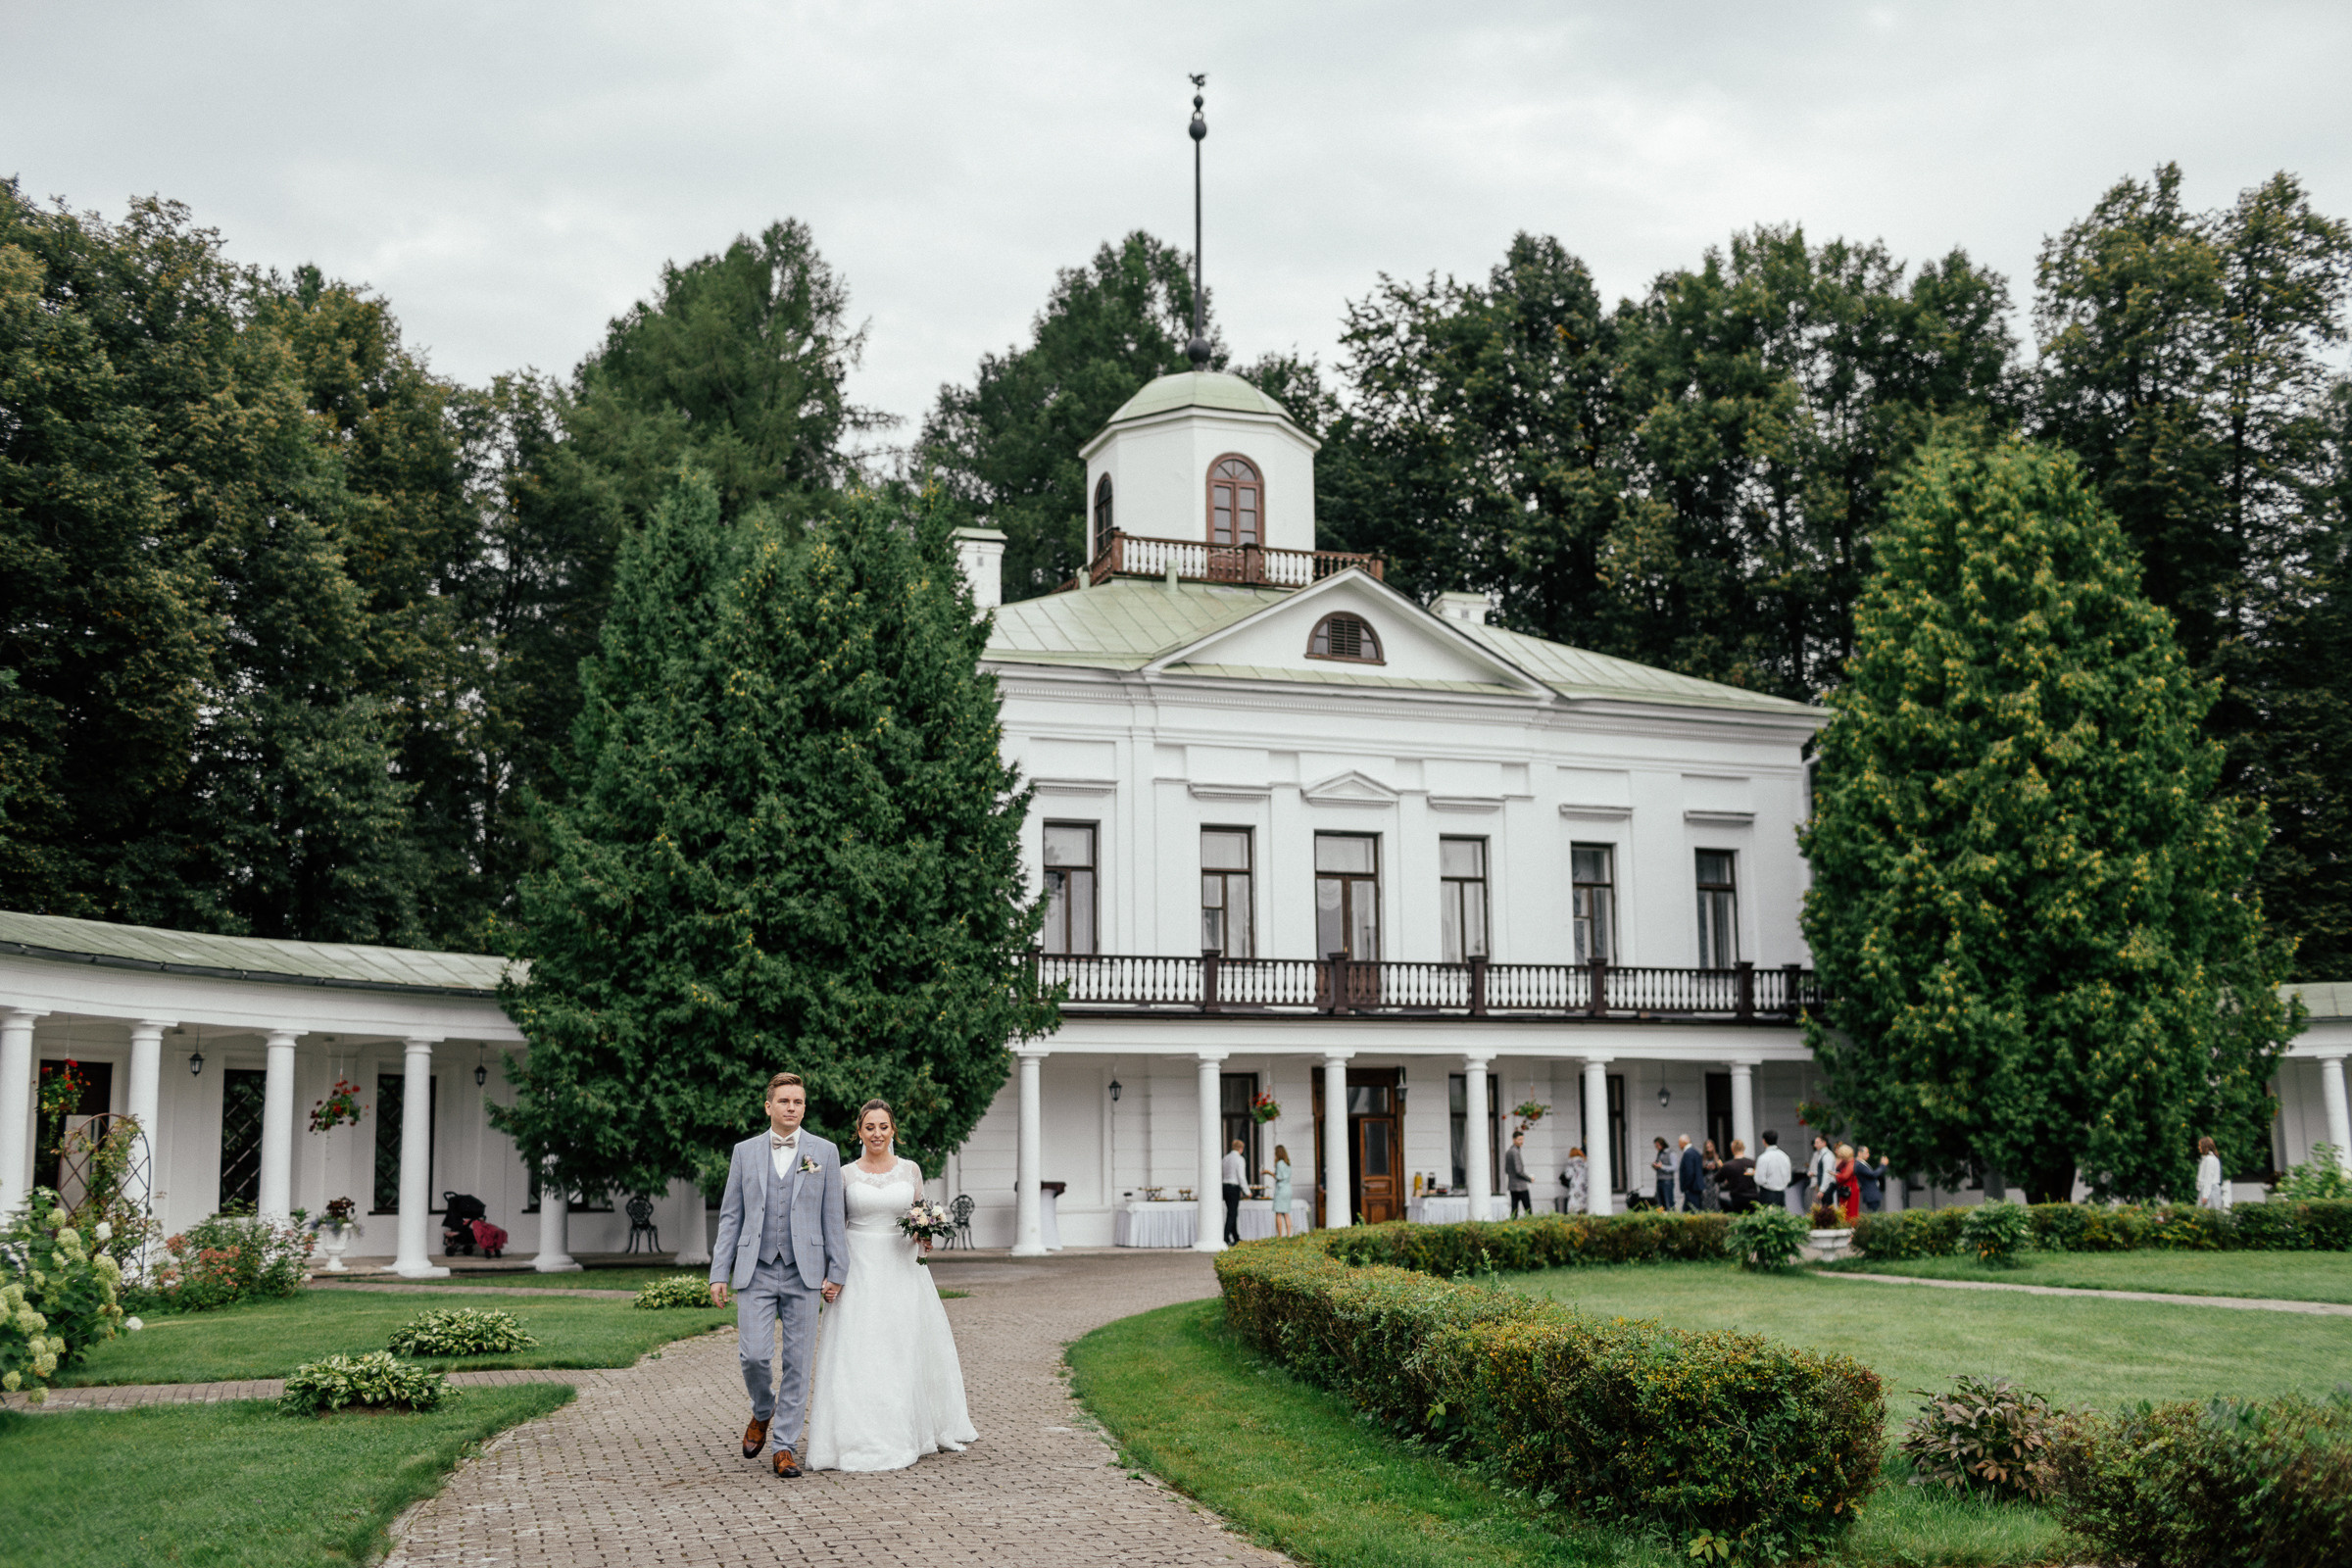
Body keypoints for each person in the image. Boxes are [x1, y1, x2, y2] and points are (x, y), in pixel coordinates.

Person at [803, 1099, 977, 1472]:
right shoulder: (845, 1174)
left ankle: (909, 1428)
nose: (877, 1134)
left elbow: (919, 1216)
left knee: (903, 1345)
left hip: (902, 1269)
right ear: (859, 1132)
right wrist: (832, 1273)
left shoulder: (910, 1170)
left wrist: (925, 1236)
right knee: (860, 1347)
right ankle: (856, 1434)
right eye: (870, 1127)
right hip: (859, 1267)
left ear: (893, 1130)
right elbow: (833, 1226)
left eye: (883, 1127)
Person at [709, 1071, 849, 1479]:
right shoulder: (744, 1152)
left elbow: (833, 1218)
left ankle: (784, 1446)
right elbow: (731, 1216)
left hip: (805, 1270)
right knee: (754, 1356)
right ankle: (762, 1409)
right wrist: (720, 1270)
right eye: (785, 1101)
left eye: (799, 1102)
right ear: (768, 1105)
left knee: (798, 1363)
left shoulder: (824, 1151)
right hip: (756, 1269)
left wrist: (837, 1271)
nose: (792, 1107)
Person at [1754, 1129, 1791, 1212]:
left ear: (1764, 1141)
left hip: (1767, 1194)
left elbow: (1759, 1179)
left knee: (1767, 1221)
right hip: (1781, 1193)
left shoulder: (1763, 1158)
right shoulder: (1784, 1156)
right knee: (1781, 1219)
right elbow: (1788, 1178)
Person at [1720, 1139, 1758, 1212]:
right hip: (1753, 1196)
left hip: (1737, 1196)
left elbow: (1718, 1178)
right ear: (1743, 1148)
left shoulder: (1728, 1165)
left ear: (1732, 1149)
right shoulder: (1752, 1163)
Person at [1222, 1138, 1248, 1246]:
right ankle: (1225, 1237)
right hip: (1233, 1187)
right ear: (1241, 1148)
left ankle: (1236, 1237)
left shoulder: (1225, 1158)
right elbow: (1241, 1176)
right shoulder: (1239, 1159)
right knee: (1232, 1213)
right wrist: (1247, 1191)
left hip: (1225, 1187)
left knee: (1232, 1212)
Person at [2195, 1136, 2231, 1210]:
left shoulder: (2209, 1160)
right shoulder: (2208, 1159)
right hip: (2208, 1190)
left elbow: (2208, 1178)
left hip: (2210, 1192)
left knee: (2207, 1215)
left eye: (2200, 1145)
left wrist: (2205, 1195)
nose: (2199, 1147)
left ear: (2205, 1146)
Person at [1267, 1145, 1295, 1236]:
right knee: (1286, 1213)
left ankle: (1279, 1236)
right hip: (1288, 1189)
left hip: (1281, 1190)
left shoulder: (1279, 1163)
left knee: (1278, 1213)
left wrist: (1268, 1173)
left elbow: (1279, 1177)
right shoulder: (1288, 1164)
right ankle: (1289, 1235)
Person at [1504, 1131, 1533, 1216]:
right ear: (1514, 1140)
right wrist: (1529, 1179)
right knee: (1528, 1209)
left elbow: (1506, 1170)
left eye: (1522, 1139)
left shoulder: (1508, 1152)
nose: (1522, 1142)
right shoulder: (1515, 1152)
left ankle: (1513, 1226)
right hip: (1521, 1186)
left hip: (1512, 1186)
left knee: (1514, 1210)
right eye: (1519, 1139)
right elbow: (1519, 1171)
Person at [1806, 1134, 1837, 1214]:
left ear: (1824, 1143)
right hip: (1825, 1186)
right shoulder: (1821, 1154)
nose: (1815, 1145)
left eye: (1817, 1142)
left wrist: (1822, 1189)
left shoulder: (1827, 1155)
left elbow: (1827, 1173)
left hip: (1828, 1186)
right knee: (1824, 1208)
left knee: (1827, 1208)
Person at [1853, 1147, 1886, 1214]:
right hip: (1870, 1193)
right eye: (1866, 1153)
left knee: (1875, 1212)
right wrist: (1882, 1166)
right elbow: (1872, 1174)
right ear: (1859, 1153)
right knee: (1874, 1213)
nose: (1868, 1155)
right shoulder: (1859, 1165)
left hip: (1872, 1193)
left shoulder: (1862, 1164)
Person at [1833, 1143, 1860, 1223]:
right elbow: (1838, 1168)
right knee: (1845, 1211)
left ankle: (1851, 1228)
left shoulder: (1851, 1163)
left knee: (1850, 1212)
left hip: (1850, 1191)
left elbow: (1845, 1176)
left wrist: (1836, 1175)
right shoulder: (1846, 1163)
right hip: (1846, 1190)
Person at [1676, 1134, 1704, 1213]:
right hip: (1696, 1187)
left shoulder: (1688, 1153)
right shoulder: (1696, 1152)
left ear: (1683, 1142)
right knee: (1689, 1210)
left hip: (1691, 1188)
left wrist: (1686, 1187)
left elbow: (1690, 1172)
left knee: (1692, 1211)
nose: (1678, 1145)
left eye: (1679, 1143)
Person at [1649, 1137, 1674, 1210]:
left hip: (1667, 1181)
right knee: (1660, 1203)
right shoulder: (1659, 1154)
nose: (1657, 1148)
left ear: (1662, 1144)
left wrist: (1662, 1166)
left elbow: (1674, 1167)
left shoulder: (1671, 1153)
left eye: (1657, 1146)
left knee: (1668, 1202)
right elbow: (1658, 1164)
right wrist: (1655, 1166)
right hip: (1659, 1180)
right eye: (1655, 1146)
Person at [1699, 1140, 1724, 1212]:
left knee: (1716, 1198)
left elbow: (1722, 1167)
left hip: (1715, 1180)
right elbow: (1700, 1170)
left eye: (1710, 1146)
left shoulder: (1718, 1156)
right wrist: (1705, 1167)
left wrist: (1715, 1167)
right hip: (1706, 1180)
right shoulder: (1702, 1157)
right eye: (1707, 1147)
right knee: (1705, 1198)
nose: (1709, 1148)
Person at [1563, 1146, 1589, 1212]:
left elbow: (1568, 1175)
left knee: (1574, 1202)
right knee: (1583, 1201)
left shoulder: (1571, 1162)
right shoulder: (1585, 1161)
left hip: (1575, 1184)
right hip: (1584, 1184)